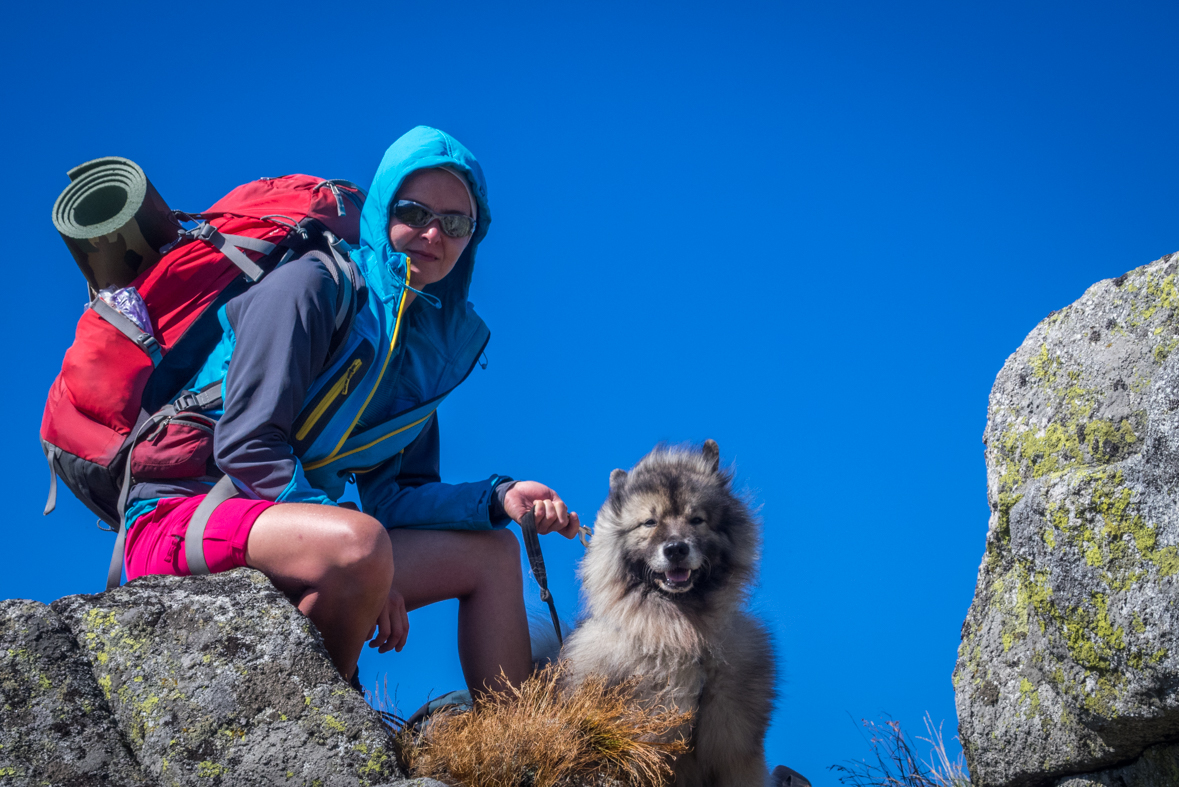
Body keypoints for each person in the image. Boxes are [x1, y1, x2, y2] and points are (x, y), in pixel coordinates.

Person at [120, 126, 579, 693]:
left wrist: (496, 497)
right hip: (182, 518)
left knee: (492, 553)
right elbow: (246, 445)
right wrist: (363, 560)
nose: (434, 233)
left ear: (472, 238)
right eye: (414, 212)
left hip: (300, 533)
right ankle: (313, 735)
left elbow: (393, 498)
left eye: (457, 223)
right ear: (383, 209)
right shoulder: (311, 286)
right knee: (362, 547)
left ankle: (523, 753)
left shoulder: (421, 355)